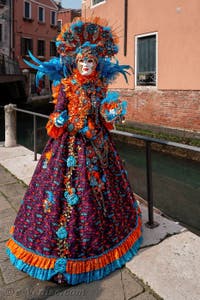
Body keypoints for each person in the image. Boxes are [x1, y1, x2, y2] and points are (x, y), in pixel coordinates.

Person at [6, 17, 142, 285]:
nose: (86, 65)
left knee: (102, 192)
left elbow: (103, 115)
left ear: (97, 63)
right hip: (69, 147)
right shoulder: (67, 86)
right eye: (82, 61)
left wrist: (111, 113)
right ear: (75, 62)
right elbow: (58, 113)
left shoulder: (100, 86)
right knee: (60, 195)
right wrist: (64, 121)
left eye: (90, 61)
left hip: (99, 148)